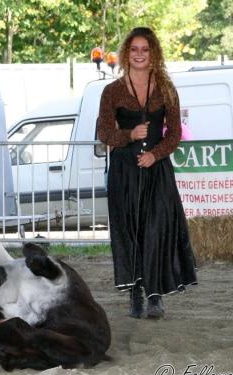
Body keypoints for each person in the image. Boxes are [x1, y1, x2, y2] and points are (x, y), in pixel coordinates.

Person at [97, 27, 197, 319]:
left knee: (155, 229)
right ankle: (135, 293)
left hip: (157, 171)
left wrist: (156, 154)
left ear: (154, 54)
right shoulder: (112, 91)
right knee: (131, 231)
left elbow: (175, 133)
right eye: (134, 49)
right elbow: (104, 132)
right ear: (127, 53)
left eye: (145, 49)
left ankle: (155, 295)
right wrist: (128, 134)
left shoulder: (166, 89)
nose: (139, 54)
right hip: (124, 172)